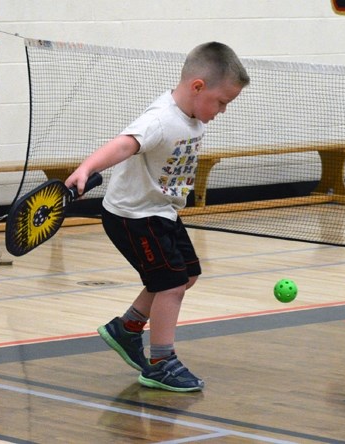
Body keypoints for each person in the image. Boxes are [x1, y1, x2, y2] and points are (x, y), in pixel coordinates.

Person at [65, 42, 250, 392]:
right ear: (198, 87)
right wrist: (86, 167)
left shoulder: (193, 115)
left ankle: (128, 328)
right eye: (222, 102)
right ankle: (160, 363)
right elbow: (124, 144)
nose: (223, 110)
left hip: (161, 212)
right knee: (170, 284)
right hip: (133, 215)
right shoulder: (160, 119)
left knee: (188, 275)